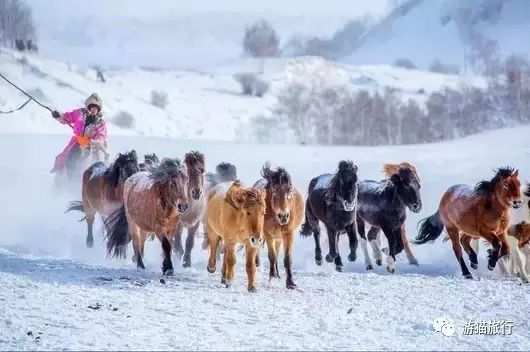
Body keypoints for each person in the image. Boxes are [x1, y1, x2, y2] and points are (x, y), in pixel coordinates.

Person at [50, 93, 107, 175]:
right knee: (70, 158)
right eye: (92, 107)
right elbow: (67, 117)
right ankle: (71, 180)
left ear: (99, 109)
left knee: (98, 165)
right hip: (78, 142)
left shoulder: (101, 123)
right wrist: (58, 115)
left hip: (93, 147)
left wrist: (91, 142)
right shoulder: (79, 113)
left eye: (96, 108)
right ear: (88, 107)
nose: (93, 109)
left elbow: (101, 137)